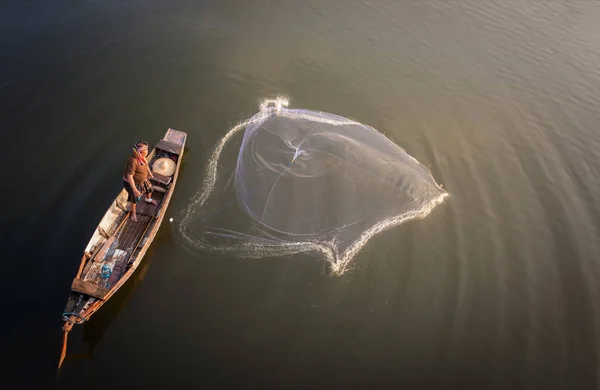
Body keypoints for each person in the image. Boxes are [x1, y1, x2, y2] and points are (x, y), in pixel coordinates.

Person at [123, 141, 157, 222]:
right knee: (135, 199)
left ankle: (148, 199)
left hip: (143, 179)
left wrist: (149, 173)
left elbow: (146, 164)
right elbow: (129, 176)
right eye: (146, 149)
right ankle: (133, 212)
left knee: (149, 189)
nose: (148, 151)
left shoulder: (142, 157)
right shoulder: (133, 161)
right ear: (141, 151)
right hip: (133, 184)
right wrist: (135, 190)